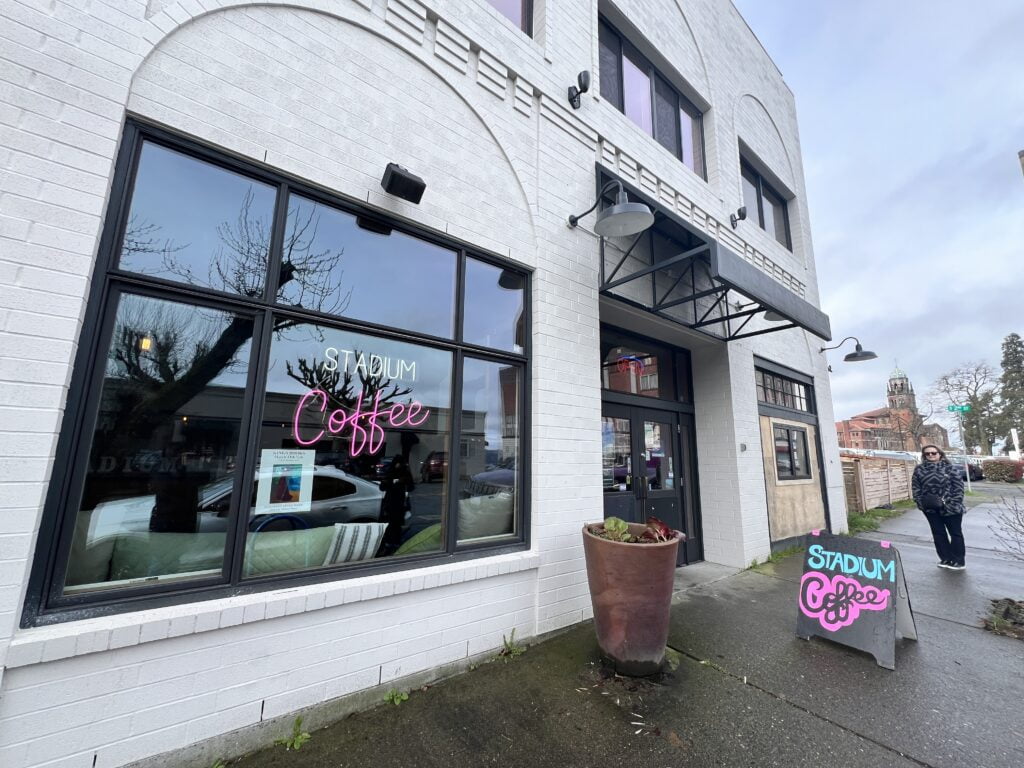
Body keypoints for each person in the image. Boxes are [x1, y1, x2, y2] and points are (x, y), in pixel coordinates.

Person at [911, 445, 966, 570]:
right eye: (927, 454)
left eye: (933, 453)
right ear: (924, 456)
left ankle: (958, 561)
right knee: (938, 534)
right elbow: (916, 488)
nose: (930, 455)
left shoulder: (950, 468)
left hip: (951, 508)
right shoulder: (919, 470)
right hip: (930, 508)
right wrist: (920, 503)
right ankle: (945, 558)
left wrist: (953, 502)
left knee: (955, 533)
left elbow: (959, 488)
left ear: (940, 454)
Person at [379, 454, 414, 555]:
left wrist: (401, 481)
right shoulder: (392, 472)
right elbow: (383, 486)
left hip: (398, 502)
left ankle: (394, 543)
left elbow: (411, 486)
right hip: (392, 502)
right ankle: (391, 543)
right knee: (392, 524)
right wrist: (393, 482)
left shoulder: (404, 473)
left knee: (395, 524)